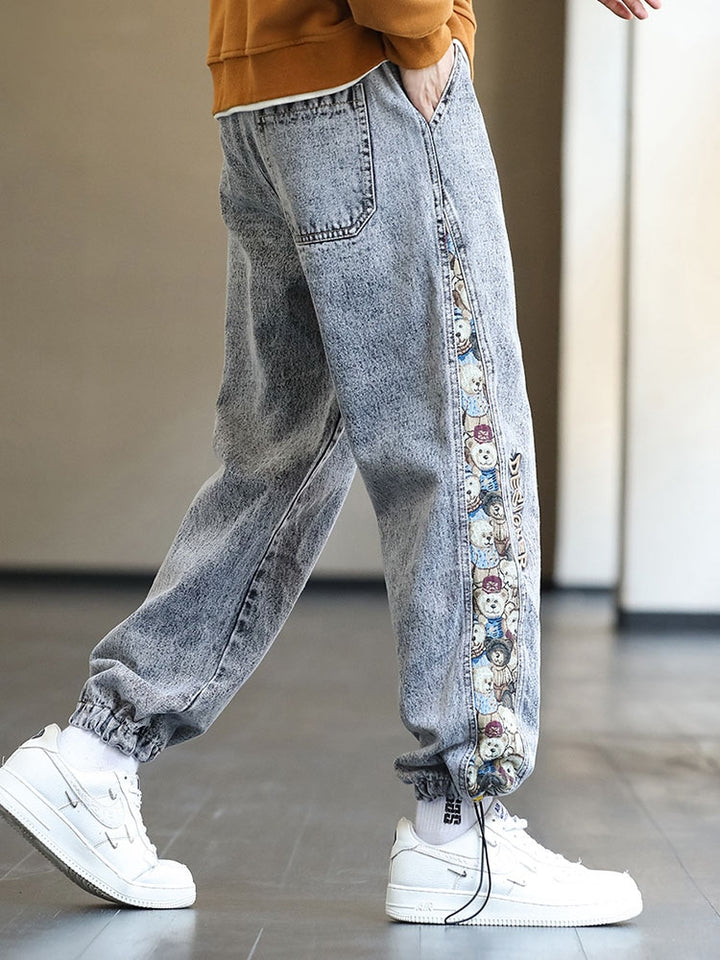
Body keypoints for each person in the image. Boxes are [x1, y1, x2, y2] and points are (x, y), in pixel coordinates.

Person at [0, 0, 661, 925]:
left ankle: (96, 752)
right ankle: (461, 830)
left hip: (264, 81)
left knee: (283, 453)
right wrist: (420, 31)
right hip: (374, 66)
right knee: (461, 433)